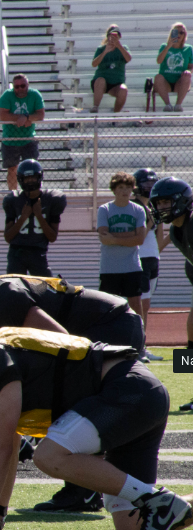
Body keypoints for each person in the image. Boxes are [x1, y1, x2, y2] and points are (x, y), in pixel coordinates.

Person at [0, 289, 192, 530]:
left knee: (48, 455)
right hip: (136, 395)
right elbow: (7, 443)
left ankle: (157, 500)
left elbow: (2, 447)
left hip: (127, 393)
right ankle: (165, 504)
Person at [0, 261, 145, 512]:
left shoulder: (0, 296)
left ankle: (84, 490)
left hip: (111, 326)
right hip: (105, 324)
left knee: (68, 400)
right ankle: (88, 489)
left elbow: (63, 341)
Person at [149, 176, 193, 409]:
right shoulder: (176, 233)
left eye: (166, 202)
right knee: (190, 345)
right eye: (159, 203)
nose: (161, 208)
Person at [132, 168, 171, 362]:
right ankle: (138, 347)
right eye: (146, 184)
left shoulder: (155, 207)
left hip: (153, 260)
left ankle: (142, 346)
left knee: (145, 307)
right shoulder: (134, 208)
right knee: (140, 306)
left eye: (152, 184)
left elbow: (158, 242)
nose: (149, 188)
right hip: (139, 260)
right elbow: (138, 237)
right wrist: (150, 219)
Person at [2, 159, 65, 276]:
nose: (30, 181)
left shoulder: (52, 199)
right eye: (27, 178)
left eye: (33, 178)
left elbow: (52, 237)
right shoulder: (13, 200)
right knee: (14, 289)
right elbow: (8, 237)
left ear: (39, 177)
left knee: (45, 289)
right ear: (21, 179)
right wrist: (23, 217)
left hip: (38, 252)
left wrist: (39, 215)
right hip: (17, 253)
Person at [97, 171, 147, 316]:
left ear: (132, 189)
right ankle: (107, 336)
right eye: (120, 188)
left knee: (136, 305)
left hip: (132, 267)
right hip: (109, 268)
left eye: (127, 187)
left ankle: (139, 335)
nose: (124, 191)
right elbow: (103, 237)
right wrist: (130, 235)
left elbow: (139, 239)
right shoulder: (104, 209)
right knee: (107, 306)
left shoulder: (138, 210)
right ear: (114, 190)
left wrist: (114, 238)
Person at [0, 74, 45, 191]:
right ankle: (13, 195)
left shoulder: (35, 95)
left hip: (28, 138)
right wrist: (21, 118)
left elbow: (40, 114)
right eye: (16, 87)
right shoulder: (7, 95)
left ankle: (32, 194)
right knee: (12, 169)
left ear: (27, 85)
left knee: (32, 169)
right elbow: (2, 115)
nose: (20, 89)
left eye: (22, 86)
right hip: (10, 139)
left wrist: (27, 117)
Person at [90, 25, 131, 113]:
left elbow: (128, 59)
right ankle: (95, 107)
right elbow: (94, 64)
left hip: (116, 83)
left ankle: (115, 115)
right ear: (108, 37)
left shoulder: (123, 48)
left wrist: (119, 46)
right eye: (111, 36)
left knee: (123, 90)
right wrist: (105, 51)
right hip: (101, 81)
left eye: (116, 36)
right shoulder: (101, 49)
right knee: (100, 80)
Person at [154, 22, 192, 112]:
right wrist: (168, 46)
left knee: (188, 76)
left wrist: (189, 71)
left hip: (180, 82)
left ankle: (178, 105)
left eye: (181, 33)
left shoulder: (188, 49)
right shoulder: (164, 46)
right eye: (176, 32)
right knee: (158, 77)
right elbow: (159, 61)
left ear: (184, 35)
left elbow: (191, 66)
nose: (179, 34)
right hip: (165, 82)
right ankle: (168, 105)